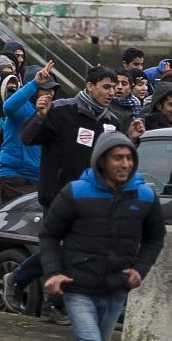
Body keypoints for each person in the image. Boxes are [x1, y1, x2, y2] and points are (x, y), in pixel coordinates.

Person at [3, 66, 122, 320]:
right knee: (59, 249)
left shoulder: (111, 122)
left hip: (92, 199)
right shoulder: (61, 110)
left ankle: (38, 290)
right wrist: (40, 116)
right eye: (106, 87)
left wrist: (132, 139)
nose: (112, 92)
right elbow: (27, 137)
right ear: (90, 86)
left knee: (75, 251)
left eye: (114, 88)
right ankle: (42, 294)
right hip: (58, 195)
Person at [40, 132, 165, 341]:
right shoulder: (75, 192)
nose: (125, 164)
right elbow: (49, 235)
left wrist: (140, 269)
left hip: (116, 288)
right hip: (78, 287)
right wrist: (53, 272)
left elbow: (155, 237)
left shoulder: (145, 196)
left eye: (129, 158)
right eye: (118, 158)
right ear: (102, 161)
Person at [0, 62, 58, 207]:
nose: (50, 92)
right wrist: (34, 83)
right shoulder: (22, 109)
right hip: (15, 177)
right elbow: (8, 107)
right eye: (45, 88)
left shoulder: (51, 113)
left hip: (39, 179)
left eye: (52, 89)